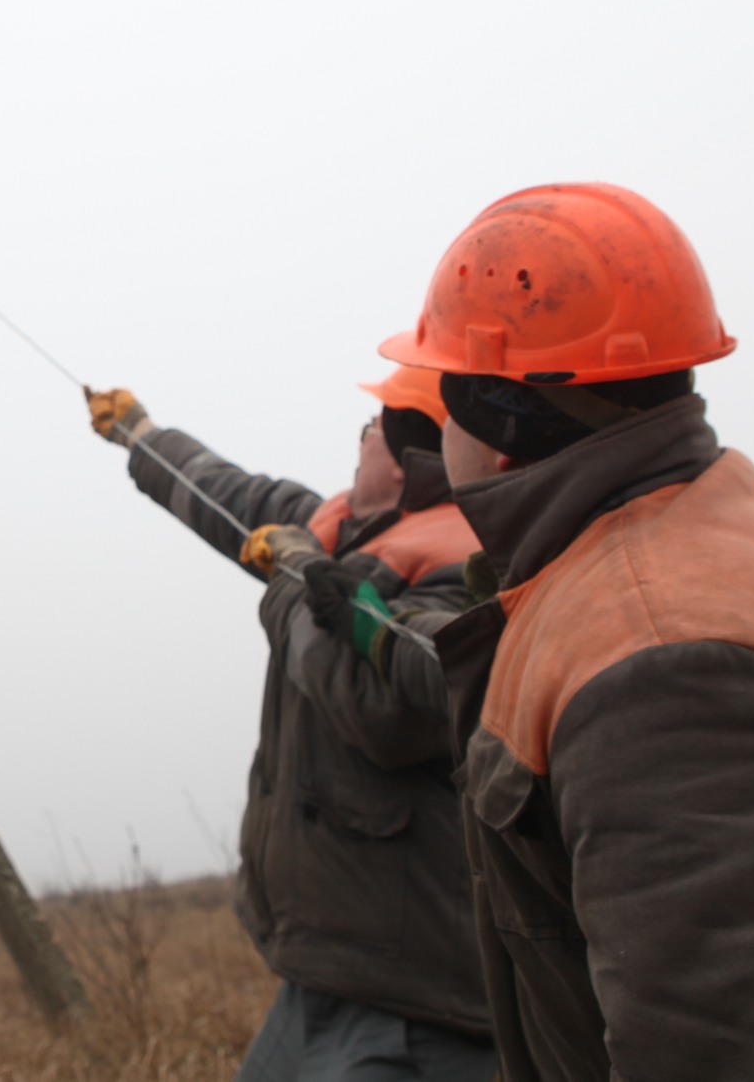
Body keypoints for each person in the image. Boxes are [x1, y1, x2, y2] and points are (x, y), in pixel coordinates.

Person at [376, 182, 754, 1080]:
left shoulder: (668, 660)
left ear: (498, 415)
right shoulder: (692, 534)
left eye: (445, 391)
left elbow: (743, 1053)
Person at [87, 371, 495, 1081]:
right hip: (321, 982)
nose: (362, 436)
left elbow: (383, 712)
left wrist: (291, 582)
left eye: (375, 427)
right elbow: (226, 493)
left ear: (406, 459)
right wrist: (140, 433)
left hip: (418, 1005)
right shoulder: (334, 529)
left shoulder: (463, 568)